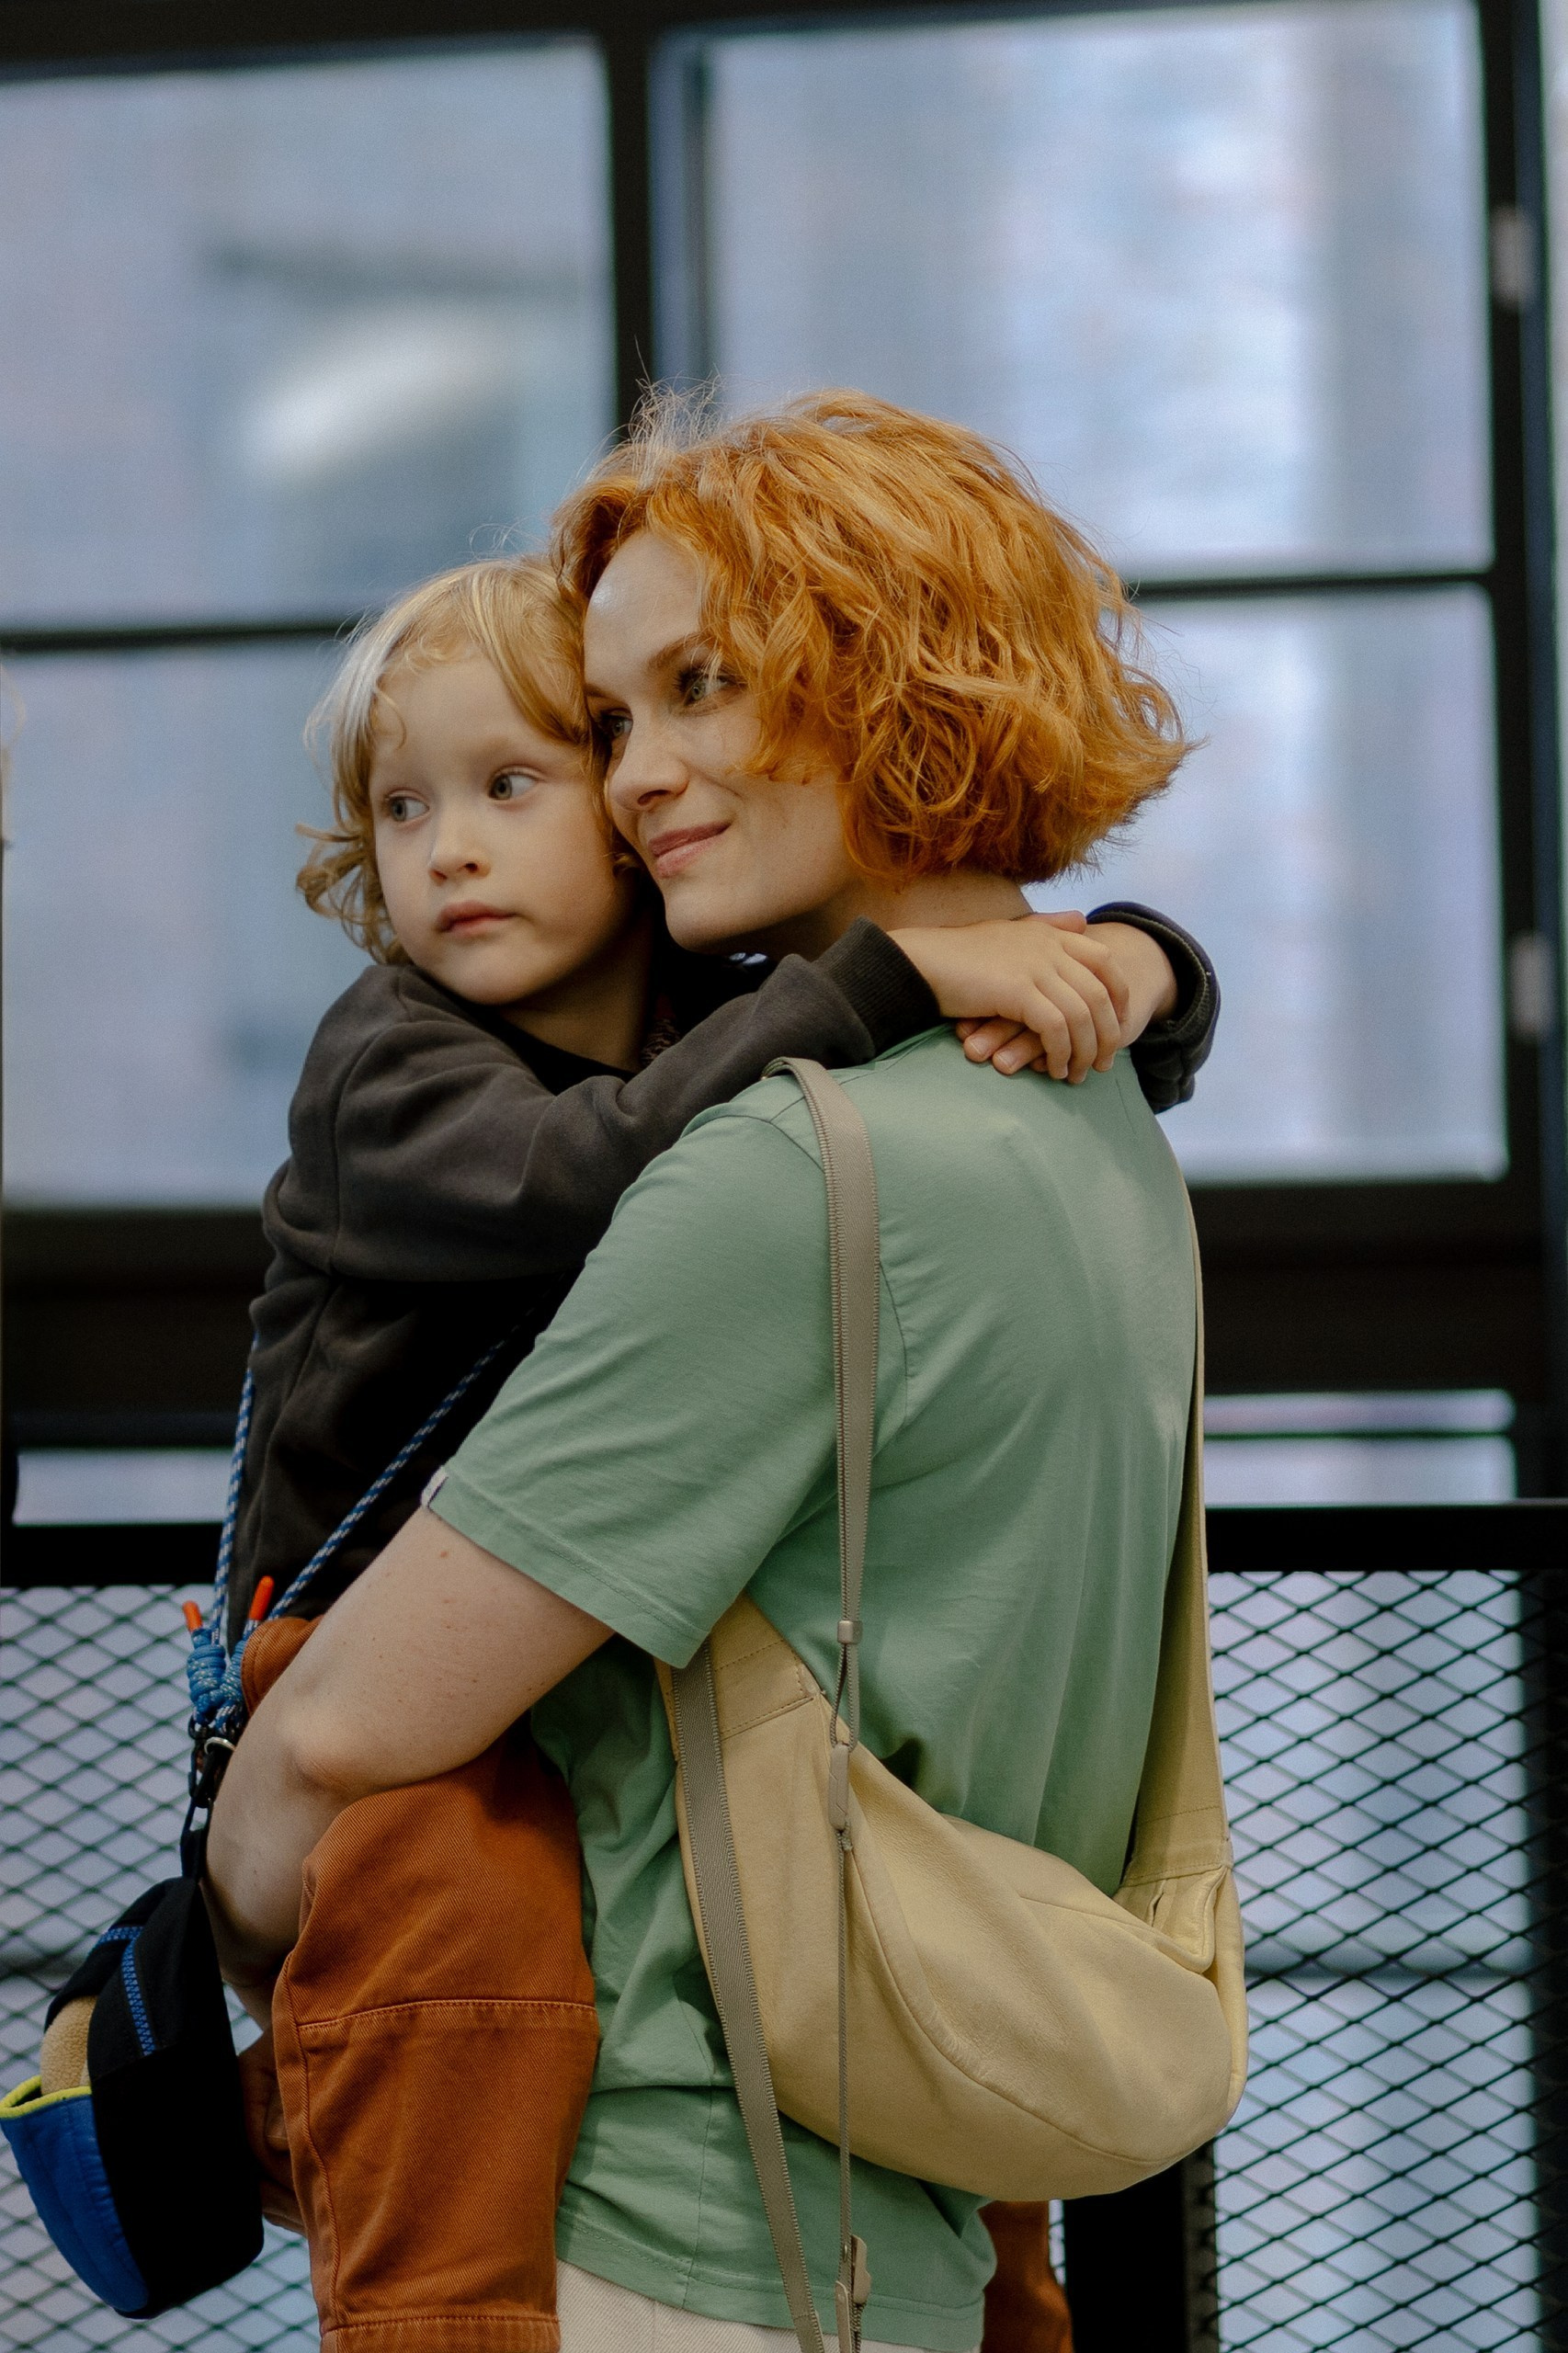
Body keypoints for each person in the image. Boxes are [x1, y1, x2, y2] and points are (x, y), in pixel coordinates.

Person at [205, 390, 1205, 2353]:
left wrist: (238, 1895)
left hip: (672, 2210)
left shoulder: (788, 1161)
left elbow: (328, 1749)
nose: (640, 775)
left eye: (694, 690)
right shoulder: (1088, 1143)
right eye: (613, 720)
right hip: (887, 2189)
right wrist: (1101, 971)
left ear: (882, 672)